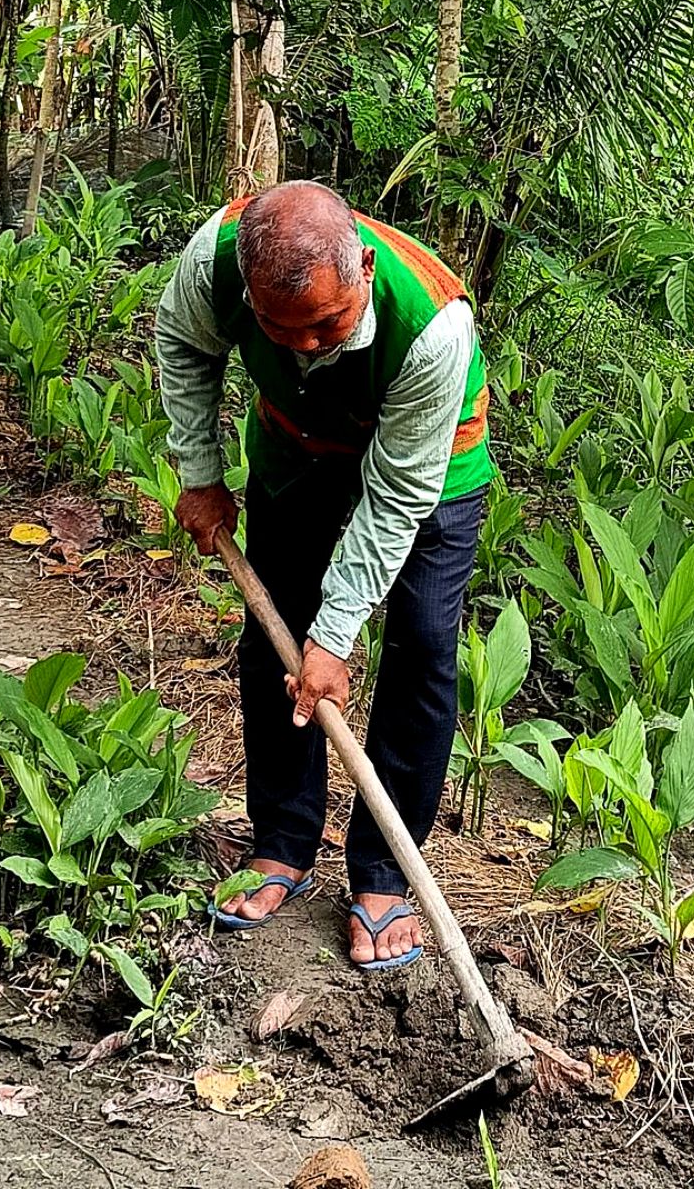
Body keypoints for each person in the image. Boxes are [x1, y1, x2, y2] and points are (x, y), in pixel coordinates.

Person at [155, 181, 493, 971]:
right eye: (281, 328)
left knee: (422, 646)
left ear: (366, 269)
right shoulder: (213, 261)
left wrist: (335, 639)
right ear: (247, 293)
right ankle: (282, 841)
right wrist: (201, 473)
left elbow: (396, 496)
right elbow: (185, 346)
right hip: (296, 444)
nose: (306, 346)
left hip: (430, 465)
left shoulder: (433, 326)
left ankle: (383, 874)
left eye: (328, 323)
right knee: (274, 628)